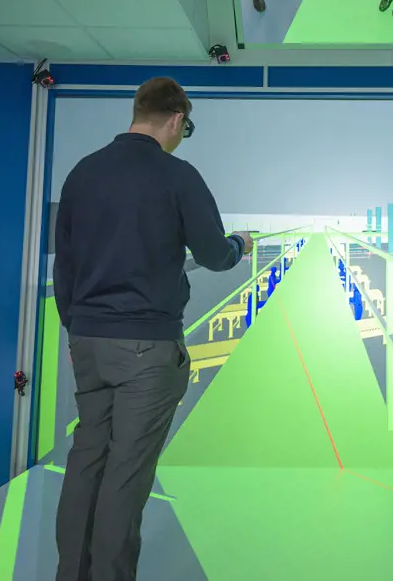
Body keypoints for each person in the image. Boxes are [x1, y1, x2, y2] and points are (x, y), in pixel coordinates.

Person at [53, 77, 254, 581]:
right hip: (146, 348)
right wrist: (239, 245)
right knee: (126, 475)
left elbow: (66, 269)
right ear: (176, 120)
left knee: (86, 462)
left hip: (89, 343)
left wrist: (76, 332)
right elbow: (213, 254)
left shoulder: (83, 174)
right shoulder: (177, 175)